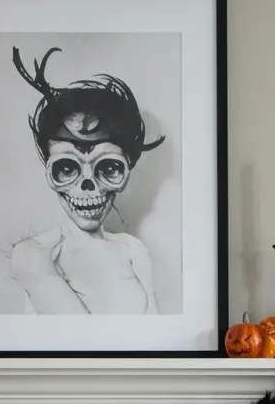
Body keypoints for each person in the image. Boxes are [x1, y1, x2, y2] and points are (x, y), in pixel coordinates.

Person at [10, 47, 165, 316]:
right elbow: (80, 339)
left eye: (108, 167)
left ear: (127, 168)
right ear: (49, 170)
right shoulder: (33, 253)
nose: (88, 184)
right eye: (67, 167)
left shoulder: (134, 250)